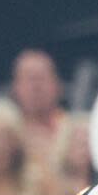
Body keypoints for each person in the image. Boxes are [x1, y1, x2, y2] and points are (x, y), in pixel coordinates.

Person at [10, 48, 67, 178]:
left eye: (41, 78)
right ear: (15, 87)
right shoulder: (4, 134)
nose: (36, 87)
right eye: (29, 78)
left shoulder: (76, 132)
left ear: (58, 85)